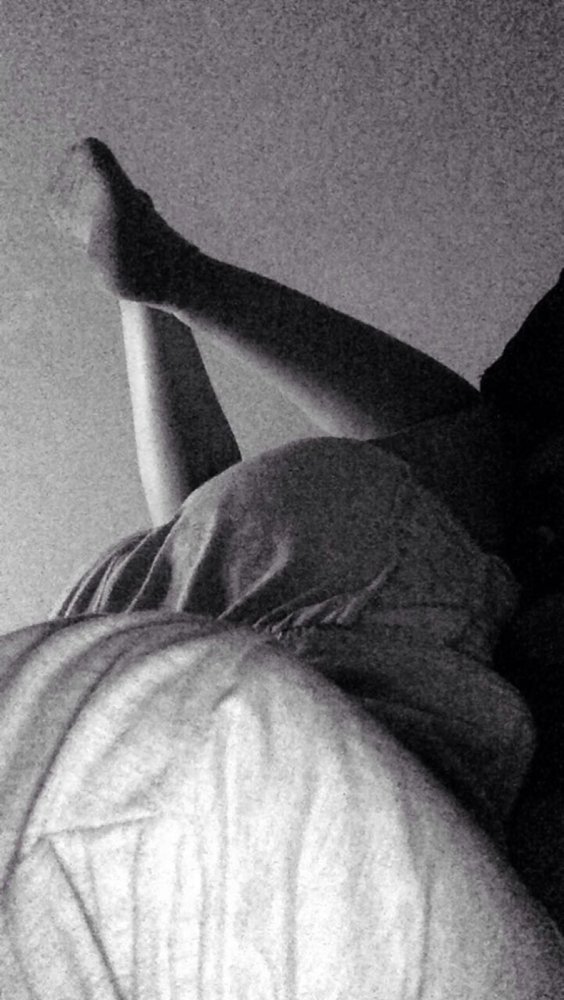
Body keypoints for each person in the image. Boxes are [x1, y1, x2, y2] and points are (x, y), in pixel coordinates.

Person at [45, 138, 560, 879]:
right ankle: (157, 284)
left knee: (461, 461)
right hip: (100, 655)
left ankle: (165, 279)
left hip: (257, 569)